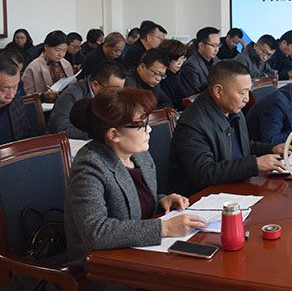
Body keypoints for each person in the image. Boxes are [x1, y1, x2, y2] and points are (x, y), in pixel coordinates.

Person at [64, 87, 207, 266]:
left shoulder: (139, 155)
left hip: (143, 253)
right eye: (141, 125)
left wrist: (161, 200)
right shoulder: (89, 165)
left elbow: (131, 204)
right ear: (114, 134)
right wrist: (165, 227)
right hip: (102, 266)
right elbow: (95, 232)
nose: (149, 130)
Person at [168, 60, 287, 196]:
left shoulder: (233, 110)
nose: (247, 99)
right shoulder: (193, 123)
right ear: (218, 91)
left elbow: (241, 147)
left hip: (235, 186)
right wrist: (254, 164)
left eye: (248, 92)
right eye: (242, 93)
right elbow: (204, 173)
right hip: (201, 198)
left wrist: (272, 149)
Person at [47, 60, 126, 139]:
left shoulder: (110, 97)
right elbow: (61, 129)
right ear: (95, 84)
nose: (115, 94)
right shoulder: (71, 95)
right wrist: (98, 135)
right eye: (112, 90)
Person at [22, 30, 74, 102]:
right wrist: (43, 96)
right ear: (46, 47)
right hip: (44, 106)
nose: (61, 54)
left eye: (64, 51)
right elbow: (26, 96)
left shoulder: (66, 64)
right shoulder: (33, 67)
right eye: (57, 50)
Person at [180, 27, 221, 94]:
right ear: (201, 45)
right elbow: (196, 91)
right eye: (214, 45)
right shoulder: (191, 65)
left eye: (218, 45)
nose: (217, 50)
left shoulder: (216, 60)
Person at [159, 39, 193, 110]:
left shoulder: (186, 72)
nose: (180, 63)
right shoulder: (162, 78)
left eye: (182, 58)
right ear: (167, 59)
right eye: (176, 59)